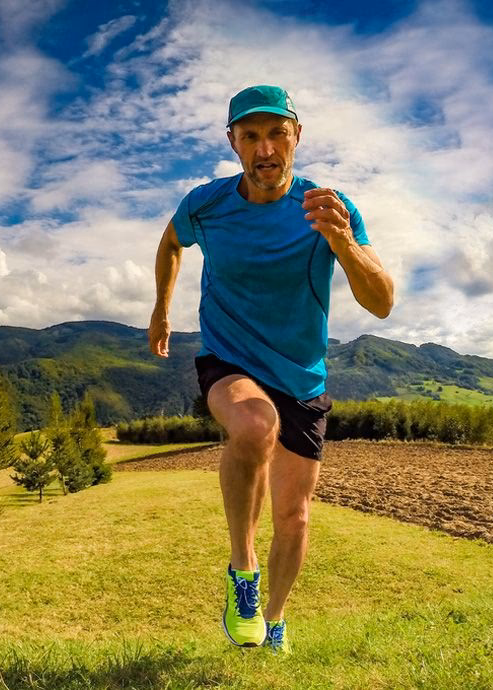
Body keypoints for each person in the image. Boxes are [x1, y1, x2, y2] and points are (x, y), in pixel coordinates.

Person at [147, 85, 395, 654]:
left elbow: (380, 300)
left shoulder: (327, 207)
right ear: (232, 142)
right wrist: (162, 309)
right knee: (255, 426)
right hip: (228, 358)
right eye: (250, 135)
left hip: (301, 377)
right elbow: (170, 243)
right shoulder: (205, 205)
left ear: (297, 136)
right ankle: (242, 570)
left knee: (296, 517)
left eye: (276, 133)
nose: (265, 148)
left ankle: (274, 620)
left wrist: (341, 241)